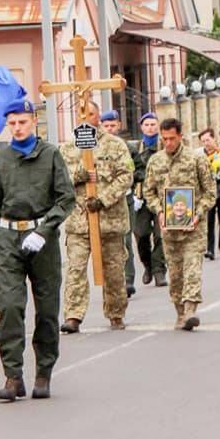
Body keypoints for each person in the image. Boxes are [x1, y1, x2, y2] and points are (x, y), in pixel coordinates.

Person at [0, 99, 75, 401]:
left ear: (33, 121)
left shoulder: (50, 155)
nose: (17, 128)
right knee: (9, 307)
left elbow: (65, 199)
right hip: (9, 238)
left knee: (47, 311)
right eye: (12, 123)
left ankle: (44, 373)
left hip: (41, 240)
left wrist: (45, 230)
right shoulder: (1, 158)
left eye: (22, 122)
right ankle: (12, 376)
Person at [59, 101, 134, 334]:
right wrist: (79, 175)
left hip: (109, 220)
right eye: (81, 114)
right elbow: (59, 179)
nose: (85, 118)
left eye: (90, 114)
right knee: (76, 269)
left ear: (97, 116)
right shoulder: (68, 148)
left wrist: (103, 198)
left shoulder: (115, 145)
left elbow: (126, 176)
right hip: (79, 221)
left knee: (114, 270)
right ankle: (73, 315)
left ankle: (116, 312)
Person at [143, 117, 216, 331]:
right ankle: (180, 313)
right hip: (169, 230)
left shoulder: (196, 159)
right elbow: (149, 191)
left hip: (193, 228)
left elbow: (210, 193)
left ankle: (191, 310)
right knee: (175, 276)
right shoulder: (155, 161)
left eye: (171, 139)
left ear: (180, 137)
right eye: (164, 139)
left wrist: (198, 212)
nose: (168, 143)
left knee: (192, 269)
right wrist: (159, 210)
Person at [100, 110, 136, 298]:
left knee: (126, 239)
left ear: (119, 125)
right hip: (104, 202)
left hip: (126, 198)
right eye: (106, 126)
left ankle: (128, 278)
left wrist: (138, 193)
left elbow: (133, 171)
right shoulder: (98, 146)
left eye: (112, 125)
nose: (109, 129)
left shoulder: (127, 146)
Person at [129, 113, 167, 288]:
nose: (150, 127)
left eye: (153, 124)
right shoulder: (135, 148)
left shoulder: (165, 146)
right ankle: (148, 265)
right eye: (147, 124)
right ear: (141, 127)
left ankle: (159, 270)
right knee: (141, 234)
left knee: (161, 235)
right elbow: (130, 170)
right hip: (142, 197)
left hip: (163, 197)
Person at [199, 128, 220, 259]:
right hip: (208, 191)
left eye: (208, 140)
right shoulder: (200, 155)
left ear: (214, 139)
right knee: (209, 220)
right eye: (203, 141)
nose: (206, 143)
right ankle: (210, 249)